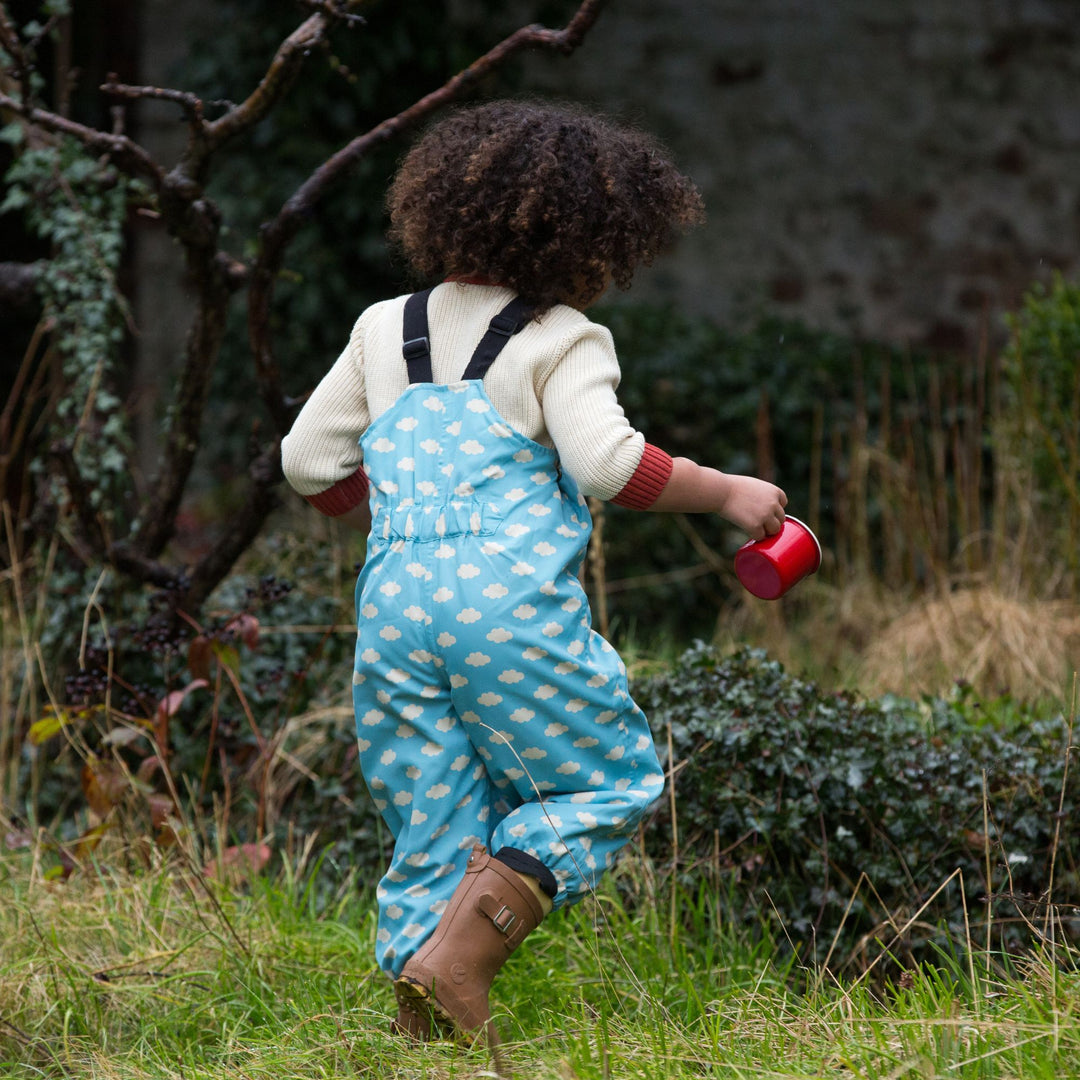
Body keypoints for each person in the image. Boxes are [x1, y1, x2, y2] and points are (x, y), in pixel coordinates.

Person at [281, 99, 787, 1045]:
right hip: (505, 614)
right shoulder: (561, 339)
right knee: (606, 783)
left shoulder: (384, 326)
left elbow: (309, 461)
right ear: (591, 237)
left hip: (394, 609)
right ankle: (463, 959)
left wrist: (389, 517)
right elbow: (606, 466)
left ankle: (424, 1029)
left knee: (433, 813)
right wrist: (725, 494)